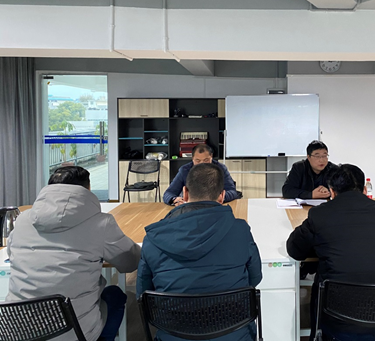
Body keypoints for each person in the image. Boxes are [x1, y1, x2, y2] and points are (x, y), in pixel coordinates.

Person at [7, 166, 141, 341]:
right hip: (73, 331)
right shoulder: (101, 223)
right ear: (87, 189)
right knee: (116, 294)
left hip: (15, 328)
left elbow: (11, 252)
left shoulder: (22, 219)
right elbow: (130, 262)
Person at [138, 163, 263, 341]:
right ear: (222, 196)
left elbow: (143, 293)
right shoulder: (241, 230)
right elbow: (255, 278)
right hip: (235, 332)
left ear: (185, 193)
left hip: (173, 333)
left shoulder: (153, 238)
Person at [287, 164, 375, 341]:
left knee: (322, 281)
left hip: (339, 322)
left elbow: (295, 250)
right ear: (364, 189)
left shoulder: (320, 214)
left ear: (332, 191)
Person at [163, 144, 239, 205]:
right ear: (192, 158)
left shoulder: (220, 169)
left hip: (214, 206)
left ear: (211, 157)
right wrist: (174, 199)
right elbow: (169, 193)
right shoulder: (185, 170)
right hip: (191, 207)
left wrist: (216, 198)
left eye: (206, 160)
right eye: (197, 161)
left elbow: (232, 192)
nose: (202, 164)